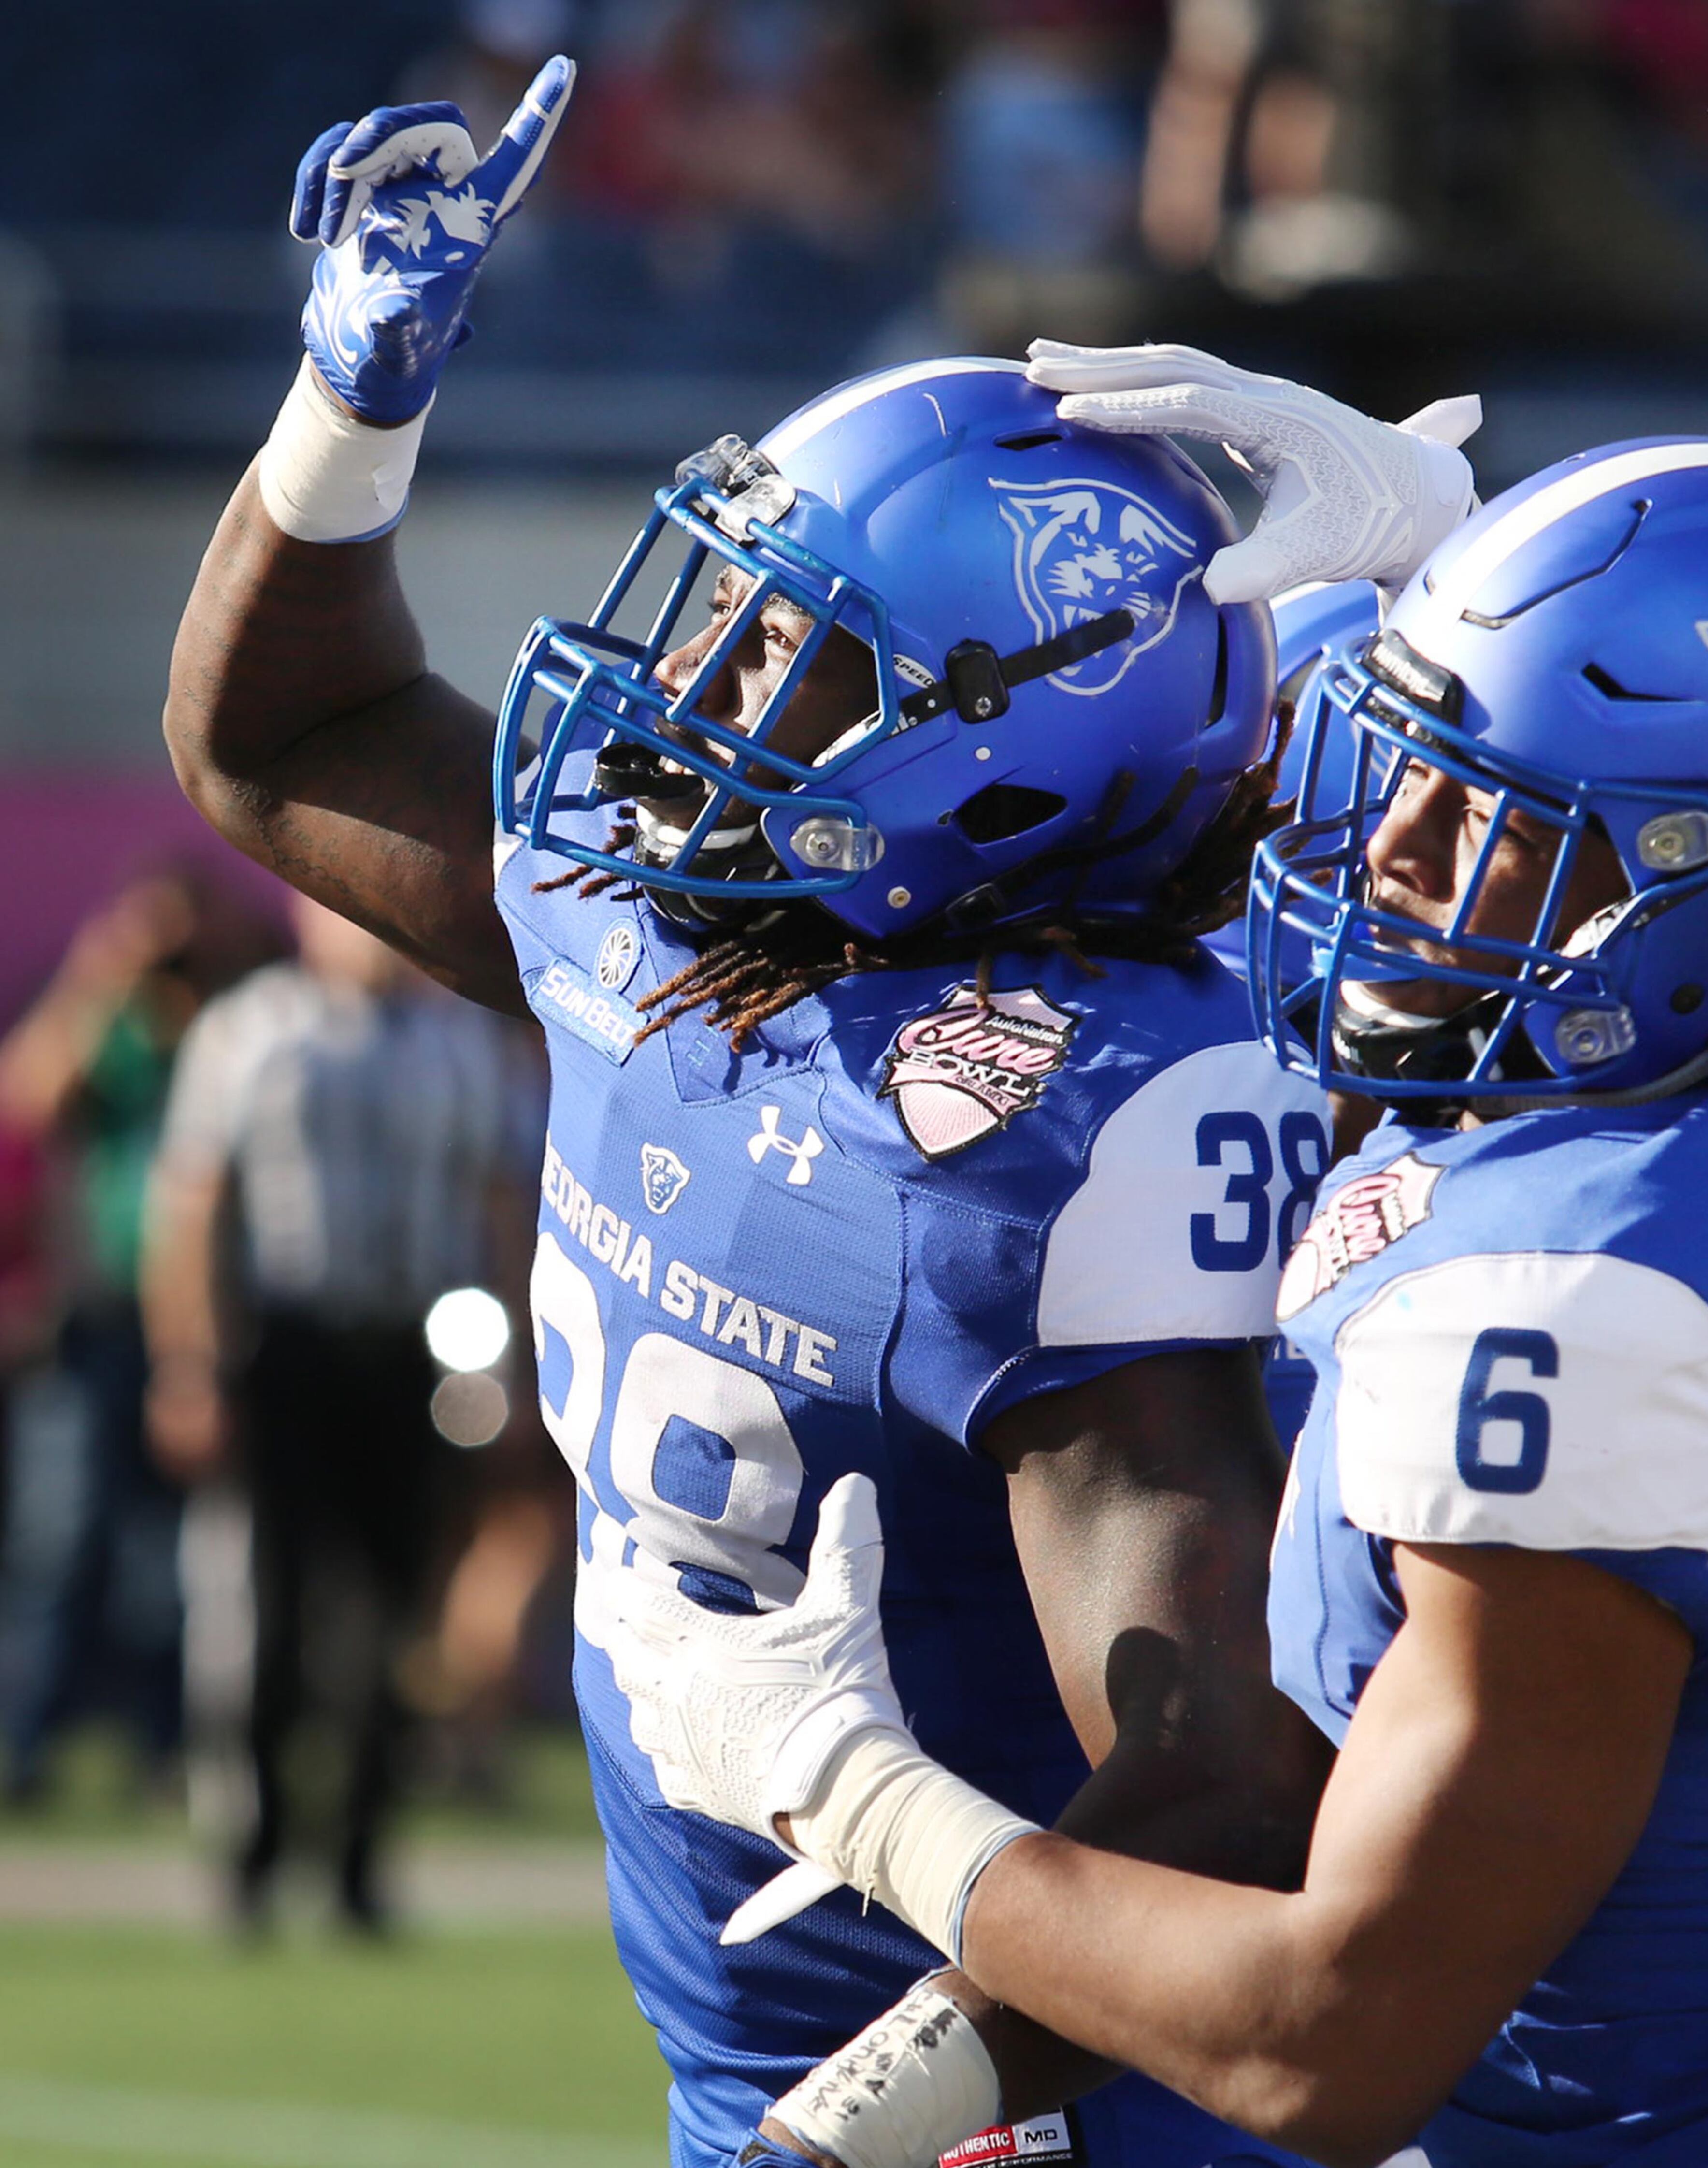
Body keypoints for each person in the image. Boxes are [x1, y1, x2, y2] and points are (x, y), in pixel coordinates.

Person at [161, 56, 1479, 2164]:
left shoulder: (1077, 1124)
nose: (699, 693)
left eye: (801, 660)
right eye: (742, 615)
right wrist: (353, 399)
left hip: (1015, 2106)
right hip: (758, 2061)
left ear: (1008, 778)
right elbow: (283, 732)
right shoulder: (655, 913)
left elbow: (1228, 1770)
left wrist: (863, 2120)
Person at [600, 430, 1708, 2168]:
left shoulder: (1578, 1304)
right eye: (1404, 768)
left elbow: (1326, 2039)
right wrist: (1464, 560)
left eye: (1482, 818)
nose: (1381, 854)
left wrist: (857, 1791)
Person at [141, 894, 542, 1930]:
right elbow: (190, 1202)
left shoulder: (459, 1039)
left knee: (388, 1612)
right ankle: (255, 1852)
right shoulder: (252, 1028)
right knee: (270, 1609)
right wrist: (188, 1362)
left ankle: (360, 1861)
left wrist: (510, 1372)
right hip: (288, 1343)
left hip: (410, 1348)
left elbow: (500, 1204)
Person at [0, 869, 273, 1805]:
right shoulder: (110, 1027)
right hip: (100, 1318)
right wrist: (106, 967)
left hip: (206, 1323)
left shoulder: (235, 1027)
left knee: (175, 1552)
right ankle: (23, 1742)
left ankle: (164, 1749)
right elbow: (30, 1096)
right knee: (60, 1535)